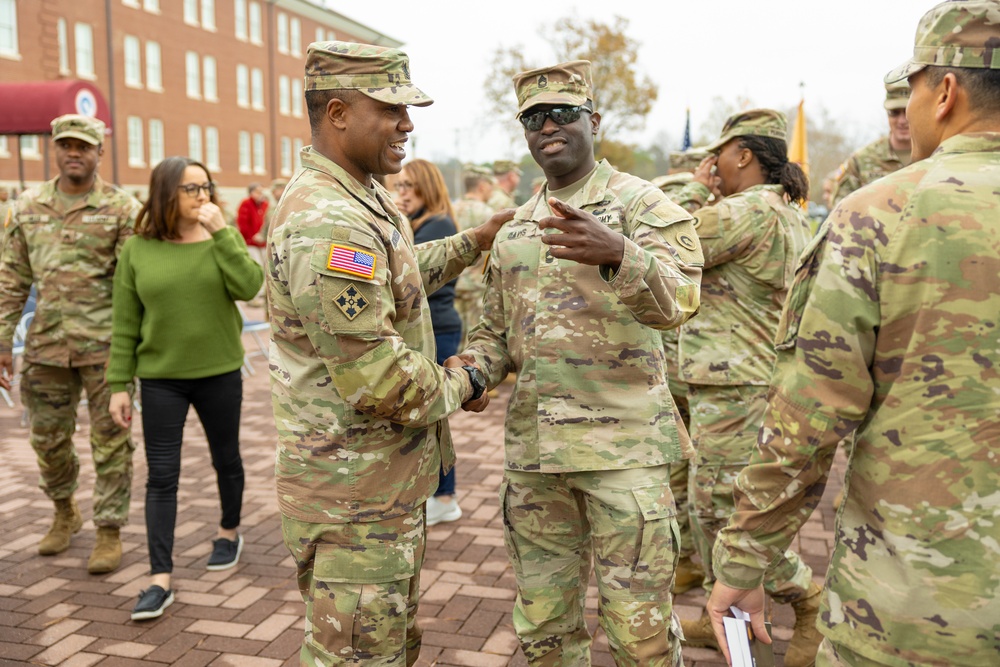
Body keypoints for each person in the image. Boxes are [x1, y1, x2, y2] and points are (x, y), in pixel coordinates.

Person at [708, 3, 1000, 666]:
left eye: (915, 91)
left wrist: (743, 561)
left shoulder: (880, 213)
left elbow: (808, 419)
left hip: (915, 612)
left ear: (945, 93)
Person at [268, 41, 512, 666]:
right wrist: (468, 376)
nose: (408, 123)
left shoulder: (361, 194)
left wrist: (471, 243)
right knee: (357, 655)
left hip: (379, 483)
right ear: (340, 112)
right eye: (393, 108)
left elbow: (393, 282)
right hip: (353, 493)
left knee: (390, 646)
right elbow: (382, 381)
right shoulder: (330, 222)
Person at [461, 60, 704, 666]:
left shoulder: (641, 205)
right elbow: (495, 331)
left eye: (564, 114)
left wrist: (622, 254)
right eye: (534, 117)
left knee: (640, 638)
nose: (549, 126)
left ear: (594, 121)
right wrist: (469, 371)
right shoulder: (517, 225)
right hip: (536, 460)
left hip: (624, 456)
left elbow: (684, 301)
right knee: (545, 632)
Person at [675, 109, 820, 667]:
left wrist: (694, 184)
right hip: (743, 380)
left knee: (719, 510)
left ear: (742, 155)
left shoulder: (745, 211)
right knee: (719, 506)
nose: (714, 165)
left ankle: (806, 597)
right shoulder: (782, 210)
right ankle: (727, 622)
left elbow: (672, 241)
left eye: (720, 155)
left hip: (734, 385)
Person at [106, 156, 264, 620]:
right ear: (166, 194)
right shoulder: (138, 249)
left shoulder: (222, 237)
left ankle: (229, 532)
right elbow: (125, 323)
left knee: (226, 458)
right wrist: (119, 383)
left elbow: (250, 284)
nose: (203, 196)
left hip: (219, 372)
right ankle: (160, 578)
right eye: (191, 189)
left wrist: (223, 234)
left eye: (207, 186)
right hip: (160, 379)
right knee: (161, 475)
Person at [0, 114, 140, 574]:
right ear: (55, 150)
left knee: (111, 442)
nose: (73, 153)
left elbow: (133, 284)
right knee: (47, 439)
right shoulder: (27, 206)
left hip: (105, 349)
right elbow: (11, 280)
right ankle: (64, 512)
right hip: (45, 348)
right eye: (65, 145)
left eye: (83, 146)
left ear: (99, 152)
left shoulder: (121, 208)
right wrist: (3, 341)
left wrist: (135, 351)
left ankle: (109, 529)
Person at [395, 158, 465, 527]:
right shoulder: (422, 223)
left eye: (409, 186)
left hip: (438, 327)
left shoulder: (438, 224)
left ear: (427, 187)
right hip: (432, 327)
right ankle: (440, 493)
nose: (401, 193)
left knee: (435, 415)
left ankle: (446, 495)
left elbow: (409, 272)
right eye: (399, 185)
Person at [829, 80, 912, 208]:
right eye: (894, 113)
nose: (902, 120)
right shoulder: (861, 161)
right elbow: (839, 210)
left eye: (907, 112)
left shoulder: (936, 155)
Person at [452, 164, 497, 349]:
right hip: (477, 286)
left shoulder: (451, 208)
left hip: (452, 283)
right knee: (473, 338)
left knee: (455, 335)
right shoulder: (488, 214)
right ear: (482, 187)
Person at [236, 182, 268, 251]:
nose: (260, 194)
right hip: (250, 243)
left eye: (261, 192)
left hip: (263, 241)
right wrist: (251, 238)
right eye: (258, 192)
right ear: (251, 193)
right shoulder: (246, 203)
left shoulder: (265, 204)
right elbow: (243, 224)